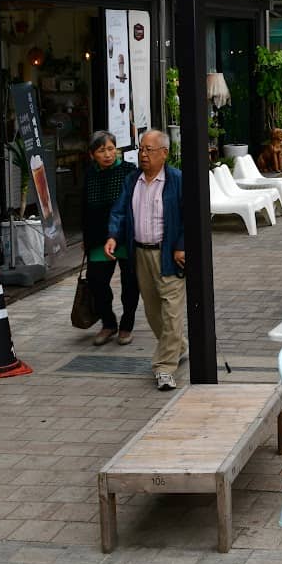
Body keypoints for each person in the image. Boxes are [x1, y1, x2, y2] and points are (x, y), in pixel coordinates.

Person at [104, 129, 185, 391]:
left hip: (168, 255)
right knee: (152, 312)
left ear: (164, 153)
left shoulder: (176, 180)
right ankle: (178, 346)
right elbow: (119, 211)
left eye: (149, 150)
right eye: (141, 149)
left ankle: (164, 367)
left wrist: (181, 246)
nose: (143, 154)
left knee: (171, 312)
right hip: (140, 253)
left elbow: (189, 216)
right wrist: (113, 236)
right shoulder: (132, 181)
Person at [83, 131, 138, 347]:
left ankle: (126, 325)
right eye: (101, 150)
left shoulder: (129, 172)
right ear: (92, 155)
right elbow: (85, 210)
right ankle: (108, 323)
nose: (107, 154)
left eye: (111, 149)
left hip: (125, 236)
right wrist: (86, 241)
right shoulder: (89, 174)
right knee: (97, 282)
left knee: (130, 283)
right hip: (98, 237)